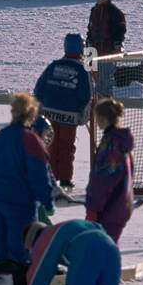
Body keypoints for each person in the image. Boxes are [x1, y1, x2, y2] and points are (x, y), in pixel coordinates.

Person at [0, 92, 56, 265]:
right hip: (19, 204)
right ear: (32, 116)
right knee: (19, 252)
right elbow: (39, 175)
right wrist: (48, 201)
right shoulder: (30, 140)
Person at [33, 34, 92, 192]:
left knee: (49, 146)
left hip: (48, 114)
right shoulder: (81, 70)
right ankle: (65, 180)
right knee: (66, 148)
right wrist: (83, 115)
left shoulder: (54, 66)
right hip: (69, 116)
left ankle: (50, 179)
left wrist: (39, 109)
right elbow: (86, 96)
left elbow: (39, 89)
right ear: (81, 48)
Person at [84, 98, 134, 247]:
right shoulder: (120, 142)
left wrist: (93, 206)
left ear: (103, 117)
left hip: (108, 208)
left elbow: (103, 180)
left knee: (101, 248)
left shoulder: (111, 144)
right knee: (109, 245)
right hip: (120, 205)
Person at [85, 0, 126, 96]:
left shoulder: (114, 12)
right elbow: (90, 28)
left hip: (108, 50)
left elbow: (120, 30)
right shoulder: (94, 10)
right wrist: (88, 42)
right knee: (90, 77)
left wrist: (117, 44)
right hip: (93, 49)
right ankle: (94, 101)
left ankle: (105, 102)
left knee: (105, 79)